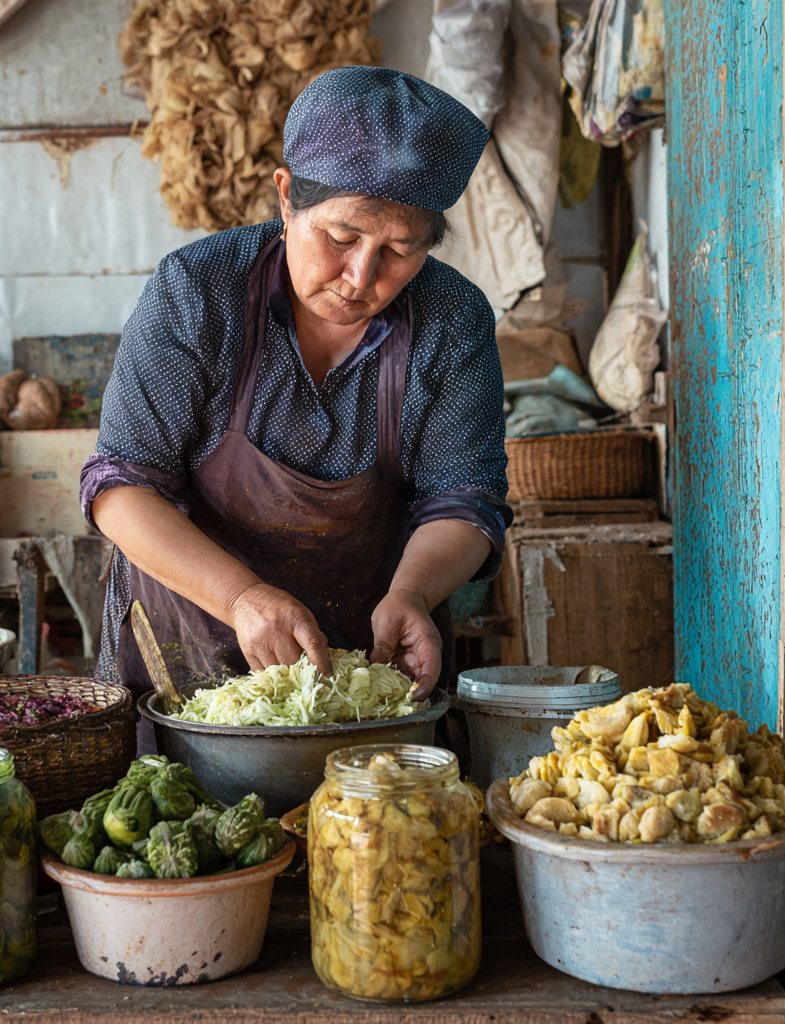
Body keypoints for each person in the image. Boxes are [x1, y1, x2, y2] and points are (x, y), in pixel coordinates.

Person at [81, 65, 511, 718]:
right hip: (185, 657)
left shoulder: (452, 318)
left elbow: (465, 499)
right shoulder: (197, 294)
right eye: (340, 238)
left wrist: (415, 595)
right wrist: (241, 597)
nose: (360, 275)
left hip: (366, 670)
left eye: (400, 251)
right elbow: (119, 489)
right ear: (286, 198)